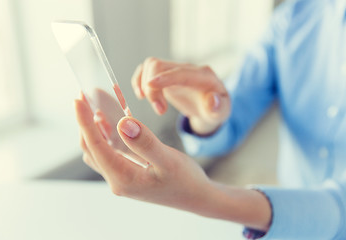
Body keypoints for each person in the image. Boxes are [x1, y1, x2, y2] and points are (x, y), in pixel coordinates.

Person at [74, 0, 346, 239]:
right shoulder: (295, 17)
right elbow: (234, 113)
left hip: (282, 218)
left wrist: (209, 199)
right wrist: (207, 114)